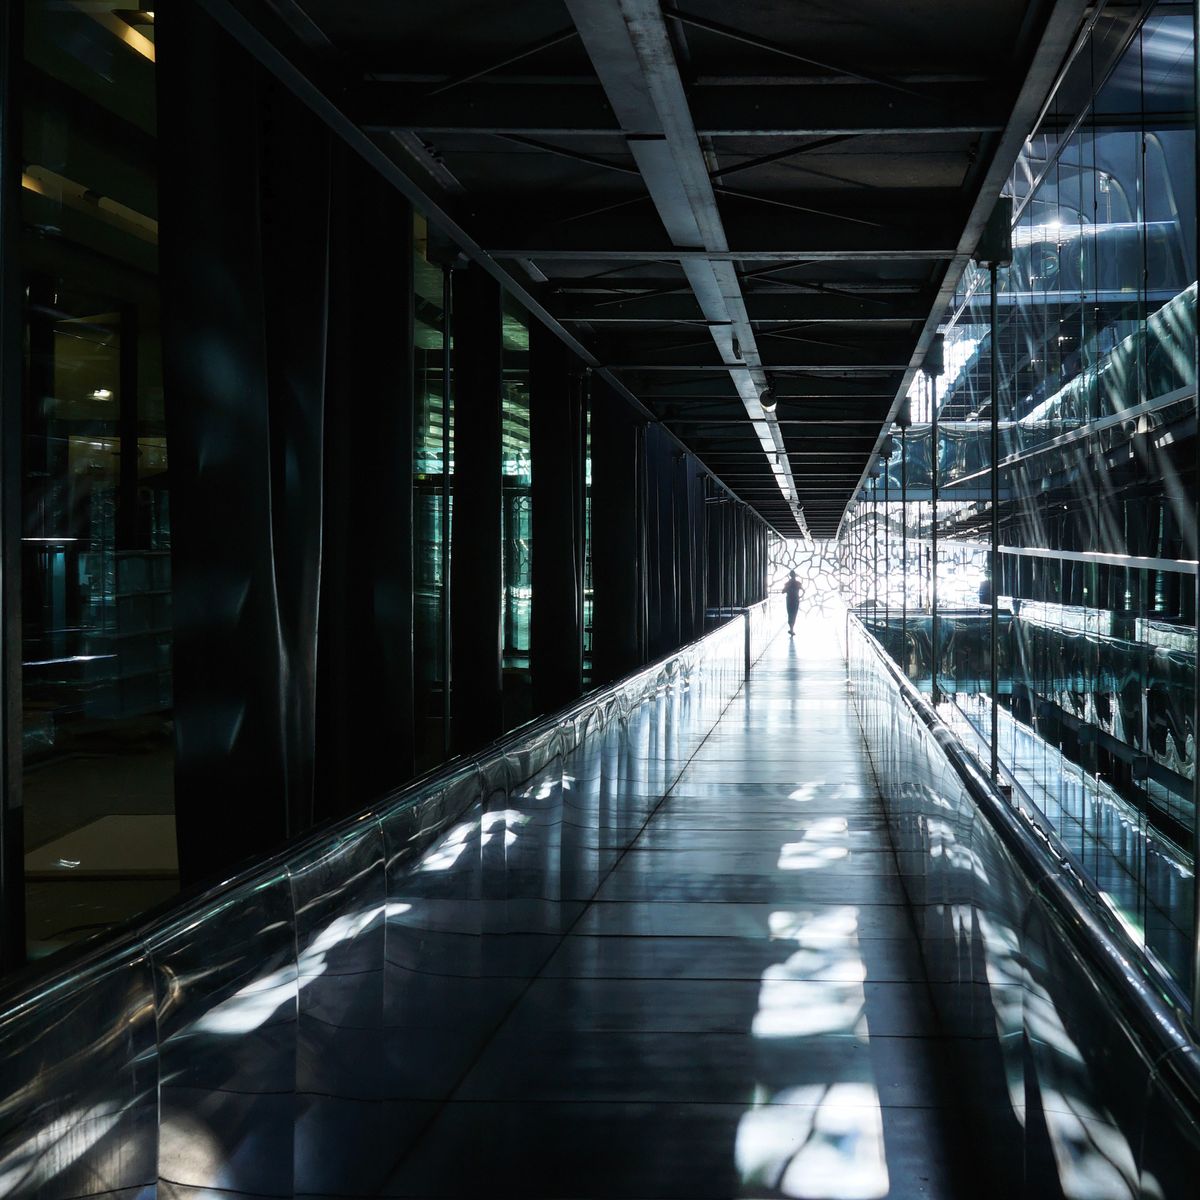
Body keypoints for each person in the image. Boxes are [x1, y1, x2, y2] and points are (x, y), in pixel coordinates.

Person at [782, 570, 802, 636]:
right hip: (796, 600)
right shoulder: (798, 583)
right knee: (794, 614)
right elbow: (803, 590)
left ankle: (791, 628)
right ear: (795, 575)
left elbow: (783, 591)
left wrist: (788, 588)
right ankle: (792, 629)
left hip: (789, 600)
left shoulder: (787, 583)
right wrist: (799, 596)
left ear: (790, 575)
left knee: (790, 614)